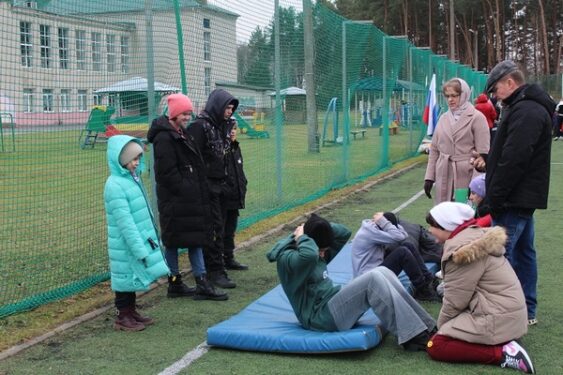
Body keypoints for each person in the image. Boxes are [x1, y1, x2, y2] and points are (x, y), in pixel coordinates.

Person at [267, 214, 437, 351]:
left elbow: (344, 233)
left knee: (382, 271)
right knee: (373, 279)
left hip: (333, 304)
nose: (322, 255)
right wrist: (303, 237)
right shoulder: (288, 259)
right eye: (321, 250)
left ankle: (425, 326)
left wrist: (318, 225)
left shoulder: (313, 250)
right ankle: (413, 337)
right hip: (320, 319)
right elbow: (310, 255)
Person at [472, 60, 555, 325]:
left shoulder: (527, 111)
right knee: (523, 253)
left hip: (513, 198)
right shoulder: (524, 108)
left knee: (499, 258)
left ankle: (503, 315)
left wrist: (492, 199)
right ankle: (526, 310)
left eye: (496, 89)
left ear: (511, 82)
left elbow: (514, 160)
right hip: (519, 196)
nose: (494, 95)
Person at [424, 202, 533, 374]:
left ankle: (503, 354)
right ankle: (506, 342)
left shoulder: (462, 252)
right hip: (508, 314)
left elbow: (455, 302)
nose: (429, 230)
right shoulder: (473, 237)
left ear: (446, 227)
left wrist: (442, 330)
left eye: (432, 226)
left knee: (436, 345)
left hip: (497, 316)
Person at [147, 93, 227, 301]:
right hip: (176, 201)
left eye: (189, 113)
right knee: (173, 241)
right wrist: (188, 188)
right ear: (174, 114)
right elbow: (167, 174)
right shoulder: (164, 138)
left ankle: (201, 281)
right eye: (184, 113)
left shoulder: (183, 134)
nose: (187, 117)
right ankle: (175, 282)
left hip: (189, 200)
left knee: (195, 240)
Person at [103, 135, 170, 331]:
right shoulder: (114, 185)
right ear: (121, 160)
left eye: (139, 159)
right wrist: (138, 248)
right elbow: (126, 223)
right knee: (124, 277)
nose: (136, 163)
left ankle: (131, 312)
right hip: (125, 243)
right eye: (133, 159)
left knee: (132, 277)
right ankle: (122, 316)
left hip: (137, 239)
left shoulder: (132, 180)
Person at [186, 89, 241, 289]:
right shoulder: (200, 127)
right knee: (213, 230)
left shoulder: (219, 127)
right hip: (206, 188)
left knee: (222, 227)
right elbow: (193, 159)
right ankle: (214, 271)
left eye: (232, 108)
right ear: (217, 106)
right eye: (227, 107)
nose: (229, 111)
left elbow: (223, 155)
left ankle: (220, 265)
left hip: (220, 185)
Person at [424, 77, 490, 204]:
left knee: (464, 215)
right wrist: (429, 177)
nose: (450, 99)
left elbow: (483, 154)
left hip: (467, 175)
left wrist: (476, 185)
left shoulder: (477, 117)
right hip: (444, 173)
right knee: (443, 215)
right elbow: (434, 150)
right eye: (447, 96)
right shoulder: (443, 118)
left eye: (454, 95)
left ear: (464, 94)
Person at [351, 212, 440, 302]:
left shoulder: (375, 228)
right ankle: (422, 290)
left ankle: (428, 279)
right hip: (368, 279)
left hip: (375, 271)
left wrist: (387, 223)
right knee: (403, 252)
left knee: (407, 245)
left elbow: (403, 236)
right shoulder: (370, 233)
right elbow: (400, 236)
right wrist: (385, 222)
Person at [222, 118, 249, 271]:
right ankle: (218, 261)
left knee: (231, 229)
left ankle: (229, 257)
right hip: (224, 197)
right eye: (229, 129)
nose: (232, 132)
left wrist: (243, 184)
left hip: (235, 197)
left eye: (234, 129)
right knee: (221, 229)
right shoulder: (221, 149)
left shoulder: (236, 147)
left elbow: (239, 171)